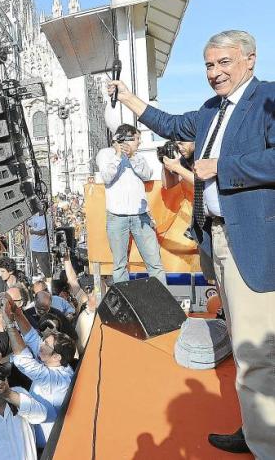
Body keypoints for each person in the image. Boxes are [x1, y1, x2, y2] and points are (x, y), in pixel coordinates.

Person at [109, 29, 275, 457]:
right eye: (209, 64)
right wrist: (128, 98)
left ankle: (266, 445)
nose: (214, 72)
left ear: (250, 60)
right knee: (241, 341)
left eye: (224, 62)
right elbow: (168, 123)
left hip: (251, 240)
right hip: (216, 239)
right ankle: (255, 428)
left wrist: (221, 166)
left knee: (256, 351)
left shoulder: (268, 99)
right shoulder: (209, 110)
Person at [95, 123, 167, 286]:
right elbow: (106, 177)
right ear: (125, 139)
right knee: (120, 266)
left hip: (141, 216)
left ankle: (161, 298)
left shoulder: (138, 156)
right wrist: (118, 155)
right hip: (117, 217)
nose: (139, 142)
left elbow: (147, 175)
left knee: (155, 263)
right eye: (136, 139)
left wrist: (132, 156)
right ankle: (125, 298)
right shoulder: (105, 154)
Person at [4, 296, 75, 452]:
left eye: (46, 344)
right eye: (44, 341)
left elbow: (24, 361)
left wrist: (10, 324)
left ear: (57, 357)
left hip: (48, 448)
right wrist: (16, 310)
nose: (41, 345)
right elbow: (32, 337)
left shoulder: (58, 379)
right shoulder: (56, 361)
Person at [161, 141, 218, 284]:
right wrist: (166, 163)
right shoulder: (185, 159)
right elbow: (168, 184)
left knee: (225, 270)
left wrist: (177, 168)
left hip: (219, 218)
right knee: (211, 273)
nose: (179, 148)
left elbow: (203, 182)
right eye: (177, 144)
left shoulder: (207, 152)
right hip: (202, 221)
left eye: (182, 143)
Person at [28, 211, 51, 278]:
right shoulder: (35, 217)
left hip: (42, 249)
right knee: (35, 272)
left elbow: (43, 232)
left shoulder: (47, 218)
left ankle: (48, 282)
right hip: (33, 248)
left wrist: (33, 232)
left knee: (45, 270)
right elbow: (29, 223)